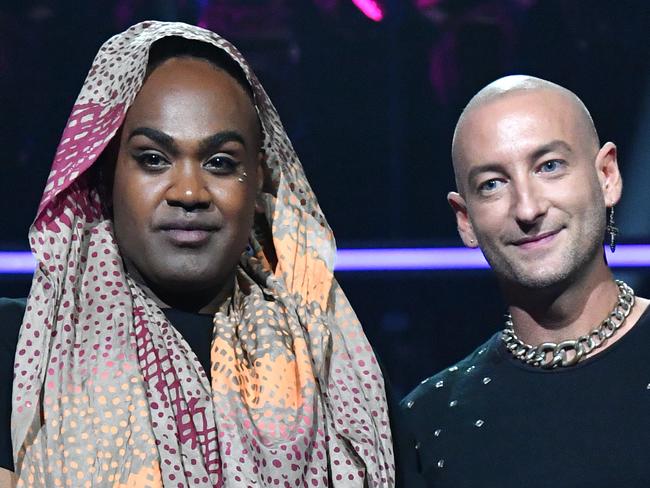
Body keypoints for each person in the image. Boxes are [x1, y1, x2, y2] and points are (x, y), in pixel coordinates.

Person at [0, 21, 397, 487]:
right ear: (105, 176)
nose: (189, 191)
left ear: (261, 184)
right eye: (153, 159)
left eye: (221, 163)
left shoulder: (334, 360)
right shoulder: (24, 345)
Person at [401, 75, 650, 487]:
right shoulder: (428, 425)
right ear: (465, 220)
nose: (528, 208)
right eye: (492, 185)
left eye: (549, 166)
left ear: (607, 175)